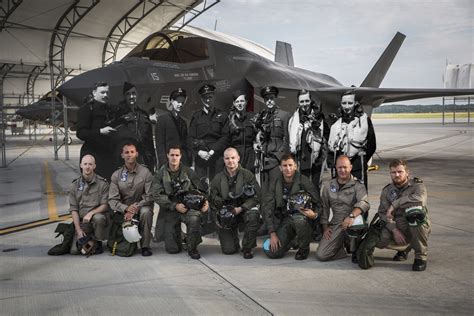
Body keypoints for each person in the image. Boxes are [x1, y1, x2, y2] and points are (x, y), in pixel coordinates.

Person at [151, 145, 209, 259]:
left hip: (188, 207)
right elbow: (156, 195)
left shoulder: (189, 172)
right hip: (171, 209)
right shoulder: (160, 174)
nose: (174, 158)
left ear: (180, 156)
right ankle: (180, 236)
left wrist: (204, 202)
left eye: (177, 155)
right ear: (167, 155)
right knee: (172, 249)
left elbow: (201, 190)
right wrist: (174, 205)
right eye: (172, 155)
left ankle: (192, 247)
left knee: (194, 218)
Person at [375, 159, 431, 271]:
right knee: (380, 240)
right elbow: (382, 213)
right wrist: (394, 230)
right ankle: (403, 249)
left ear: (407, 172)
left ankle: (420, 257)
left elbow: (420, 200)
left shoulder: (417, 186)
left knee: (416, 220)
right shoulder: (387, 191)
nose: (397, 175)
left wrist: (395, 204)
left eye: (400, 171)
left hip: (415, 222)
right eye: (393, 172)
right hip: (398, 224)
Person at [262, 154, 320, 260]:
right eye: (284, 166)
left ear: (295, 166)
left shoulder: (304, 181)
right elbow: (268, 208)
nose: (288, 169)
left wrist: (315, 215)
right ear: (280, 168)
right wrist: (272, 233)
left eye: (290, 165)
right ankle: (291, 241)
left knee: (298, 220)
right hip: (285, 221)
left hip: (302, 218)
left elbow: (319, 204)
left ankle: (303, 248)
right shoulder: (274, 182)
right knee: (271, 251)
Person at [315, 155, 370, 262]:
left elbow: (364, 203)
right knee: (321, 255)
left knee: (356, 228)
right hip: (336, 221)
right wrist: (325, 227)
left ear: (350, 167)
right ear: (336, 167)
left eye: (345, 167)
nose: (342, 170)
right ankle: (340, 249)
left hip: (353, 220)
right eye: (340, 167)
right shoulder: (328, 186)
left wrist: (351, 216)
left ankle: (355, 248)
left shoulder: (358, 185)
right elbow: (324, 208)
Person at [210, 147, 261, 258]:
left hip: (243, 210)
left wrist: (242, 208)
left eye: (233, 158)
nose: (230, 161)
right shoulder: (217, 179)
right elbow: (212, 201)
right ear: (224, 160)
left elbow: (257, 196)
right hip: (227, 213)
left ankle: (247, 247)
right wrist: (218, 217)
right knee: (229, 250)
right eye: (227, 158)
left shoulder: (248, 175)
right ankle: (233, 240)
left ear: (238, 158)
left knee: (253, 215)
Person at [108, 142, 154, 256]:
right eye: (126, 152)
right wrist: (125, 209)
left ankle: (145, 246)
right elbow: (112, 200)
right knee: (127, 250)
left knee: (146, 212)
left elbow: (150, 195)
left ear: (136, 154)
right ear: (122, 155)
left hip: (141, 206)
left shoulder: (145, 172)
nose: (129, 155)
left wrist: (136, 207)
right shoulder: (116, 175)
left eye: (132, 152)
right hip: (123, 211)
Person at [327, 91, 376, 189]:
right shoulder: (336, 124)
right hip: (340, 170)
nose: (347, 106)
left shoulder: (364, 121)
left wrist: (361, 160)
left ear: (355, 103)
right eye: (344, 103)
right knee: (339, 197)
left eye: (350, 103)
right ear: (341, 104)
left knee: (359, 197)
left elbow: (372, 145)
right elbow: (330, 149)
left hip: (357, 168)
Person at [67, 154, 109, 255]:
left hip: (96, 220)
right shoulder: (74, 185)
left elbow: (105, 205)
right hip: (82, 222)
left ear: (94, 166)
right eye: (85, 164)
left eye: (90, 164)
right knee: (74, 251)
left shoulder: (103, 184)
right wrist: (78, 230)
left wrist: (91, 213)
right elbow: (74, 210)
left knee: (99, 218)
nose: (87, 167)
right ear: (81, 165)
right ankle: (89, 239)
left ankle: (98, 242)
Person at [76, 81, 118, 180]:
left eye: (107, 92)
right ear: (94, 93)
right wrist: (100, 131)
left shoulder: (110, 110)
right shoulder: (86, 109)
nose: (106, 95)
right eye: (102, 92)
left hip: (108, 156)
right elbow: (81, 133)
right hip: (92, 154)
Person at [110, 82, 156, 172]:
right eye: (128, 94)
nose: (131, 97)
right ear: (124, 96)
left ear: (137, 94)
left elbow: (150, 141)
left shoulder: (144, 115)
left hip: (144, 160)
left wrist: (153, 161)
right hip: (127, 161)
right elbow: (115, 142)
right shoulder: (119, 116)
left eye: (133, 93)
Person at [188, 84, 229, 185]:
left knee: (217, 186)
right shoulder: (196, 116)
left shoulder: (222, 115)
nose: (208, 100)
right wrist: (198, 152)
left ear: (214, 97)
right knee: (200, 187)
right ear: (201, 99)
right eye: (205, 98)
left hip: (217, 156)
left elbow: (226, 136)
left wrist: (212, 151)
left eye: (210, 97)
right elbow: (190, 138)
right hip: (201, 156)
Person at [253, 86, 290, 191]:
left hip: (277, 159)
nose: (269, 101)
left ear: (276, 98)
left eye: (271, 98)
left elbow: (286, 138)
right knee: (265, 189)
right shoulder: (262, 116)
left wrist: (282, 158)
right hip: (264, 159)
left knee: (277, 189)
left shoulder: (284, 115)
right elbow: (258, 134)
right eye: (267, 99)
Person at [155, 88, 190, 168]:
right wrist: (164, 164)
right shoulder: (162, 120)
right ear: (171, 101)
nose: (180, 105)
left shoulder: (183, 123)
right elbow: (160, 145)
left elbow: (184, 145)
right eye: (178, 102)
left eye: (182, 102)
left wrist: (186, 163)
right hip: (167, 164)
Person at [223, 91, 256, 171]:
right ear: (234, 103)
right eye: (237, 101)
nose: (240, 104)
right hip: (235, 154)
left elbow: (258, 134)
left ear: (246, 102)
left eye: (242, 101)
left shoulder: (253, 117)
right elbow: (226, 140)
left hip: (250, 155)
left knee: (249, 178)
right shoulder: (230, 120)